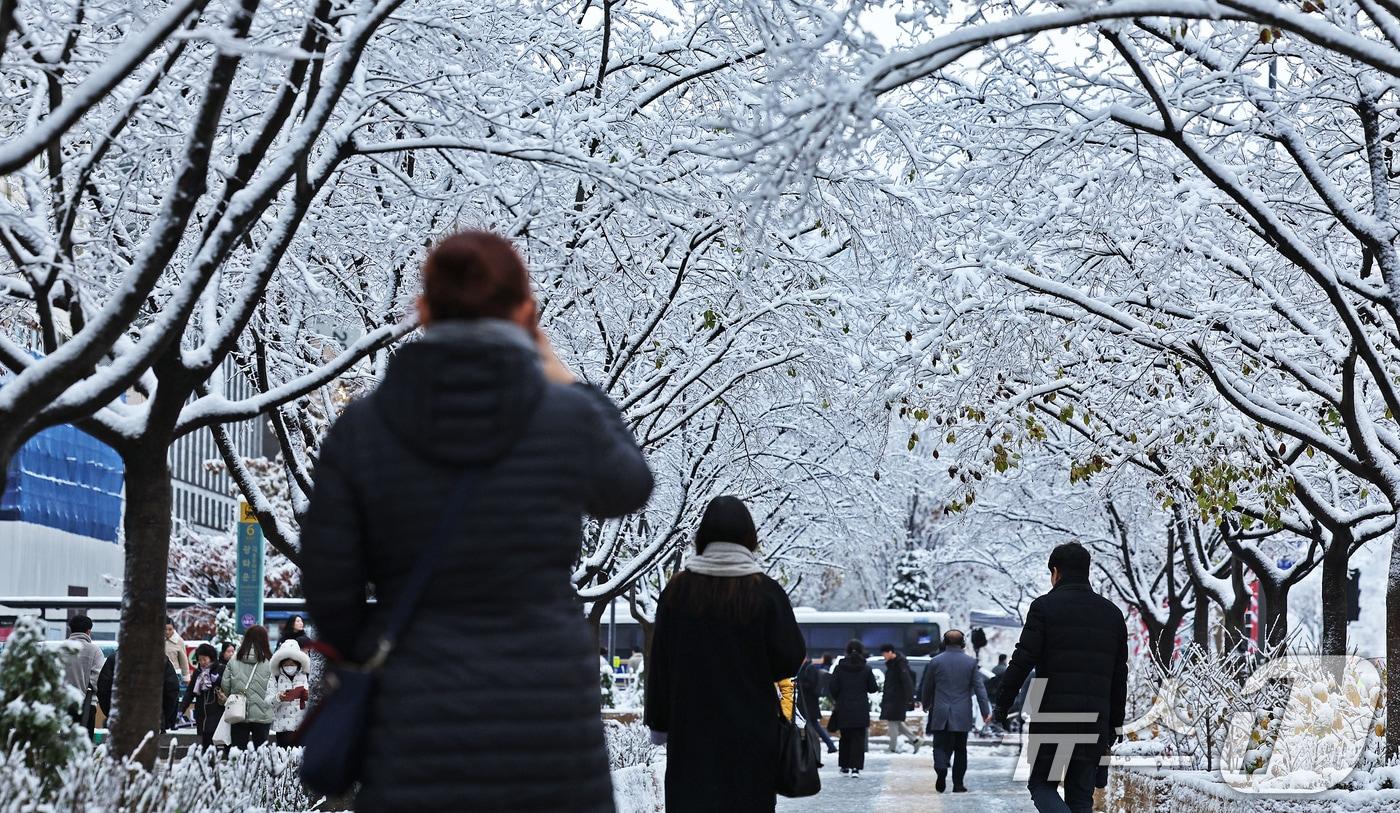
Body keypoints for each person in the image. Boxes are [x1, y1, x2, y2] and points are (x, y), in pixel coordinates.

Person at [300, 230, 653, 813]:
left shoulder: (363, 429)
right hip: (547, 705)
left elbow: (328, 588)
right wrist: (566, 378)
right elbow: (629, 485)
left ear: (423, 309)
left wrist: (390, 641)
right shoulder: (565, 418)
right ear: (525, 310)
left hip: (416, 710)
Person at [643, 496, 806, 812]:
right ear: (749, 537)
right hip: (752, 736)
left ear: (702, 537)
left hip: (691, 735)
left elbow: (660, 665)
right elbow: (790, 657)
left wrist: (660, 724)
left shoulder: (676, 592)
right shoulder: (765, 592)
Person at [995, 543, 1128, 813]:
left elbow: (1022, 660)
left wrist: (1002, 703)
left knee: (1042, 785)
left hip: (1053, 719)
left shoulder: (1044, 607)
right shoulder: (1112, 614)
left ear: (1056, 572)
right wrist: (1114, 726)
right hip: (1095, 721)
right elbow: (1119, 676)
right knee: (1081, 798)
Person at [919, 630, 991, 793]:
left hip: (940, 711)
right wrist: (985, 711)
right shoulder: (970, 662)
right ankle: (958, 784)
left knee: (939, 745)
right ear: (963, 643)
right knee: (960, 749)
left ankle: (941, 767)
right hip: (961, 712)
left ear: (944, 642)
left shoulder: (935, 662)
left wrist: (926, 704)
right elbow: (979, 688)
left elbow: (927, 686)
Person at [828, 639, 877, 777]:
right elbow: (873, 688)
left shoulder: (839, 667)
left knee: (845, 737)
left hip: (843, 707)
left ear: (847, 651)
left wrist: (840, 697)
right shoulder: (866, 668)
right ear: (861, 651)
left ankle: (844, 766)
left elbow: (832, 687)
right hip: (860, 707)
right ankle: (855, 768)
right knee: (858, 738)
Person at [96, 650, 180, 730]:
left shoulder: (115, 659)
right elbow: (171, 690)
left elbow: (103, 690)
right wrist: (162, 715)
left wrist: (112, 713)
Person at [222, 625, 275, 750]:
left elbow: (225, 685)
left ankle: (239, 769)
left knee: (238, 752)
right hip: (263, 712)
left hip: (238, 712)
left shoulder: (234, 660)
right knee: (261, 752)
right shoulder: (271, 662)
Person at [181, 643, 225, 748]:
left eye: (204, 659)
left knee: (215, 742)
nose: (202, 662)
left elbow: (228, 686)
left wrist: (218, 680)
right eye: (200, 660)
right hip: (202, 714)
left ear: (211, 658)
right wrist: (181, 708)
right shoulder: (198, 672)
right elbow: (190, 692)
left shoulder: (221, 669)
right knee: (205, 743)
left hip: (216, 712)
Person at [879, 643, 920, 754]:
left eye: (884, 654)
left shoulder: (899, 665)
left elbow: (907, 682)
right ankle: (915, 740)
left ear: (890, 652)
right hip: (893, 698)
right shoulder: (893, 664)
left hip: (897, 699)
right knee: (896, 722)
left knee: (893, 722)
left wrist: (910, 699)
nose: (884, 656)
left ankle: (892, 747)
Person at [270, 639, 311, 746]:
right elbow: (268, 701)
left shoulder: (305, 674)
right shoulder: (275, 676)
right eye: (286, 663)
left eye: (292, 663)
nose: (289, 666)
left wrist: (307, 696)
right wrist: (278, 698)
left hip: (301, 726)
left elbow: (313, 700)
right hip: (282, 728)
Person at [795, 656, 838, 755]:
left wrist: (800, 684)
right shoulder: (805, 668)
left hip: (809, 703)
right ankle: (828, 745)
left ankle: (827, 745)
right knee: (811, 725)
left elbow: (811, 684)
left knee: (812, 725)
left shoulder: (809, 668)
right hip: (806, 703)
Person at [62, 615, 105, 703]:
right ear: (88, 631)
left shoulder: (59, 649)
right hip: (86, 704)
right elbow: (97, 680)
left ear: (71, 630)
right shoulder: (94, 650)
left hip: (62, 704)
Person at [164, 618, 191, 682]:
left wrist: (186, 678)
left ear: (174, 629)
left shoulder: (179, 641)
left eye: (170, 629)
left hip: (175, 675)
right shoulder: (156, 640)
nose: (167, 632)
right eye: (165, 629)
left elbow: (184, 661)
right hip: (159, 675)